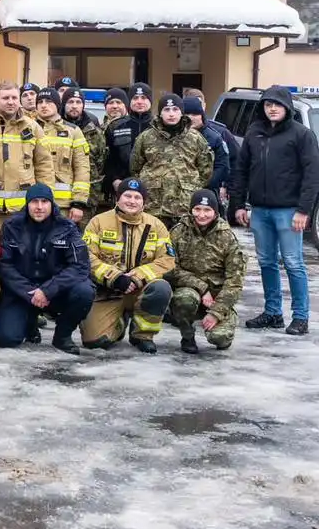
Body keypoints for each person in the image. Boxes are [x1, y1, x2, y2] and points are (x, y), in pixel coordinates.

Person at [228, 85, 319, 336]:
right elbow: (241, 170)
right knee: (266, 262)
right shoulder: (254, 132)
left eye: (277, 104)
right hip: (260, 210)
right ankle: (273, 313)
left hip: (289, 211)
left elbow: (312, 175)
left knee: (293, 263)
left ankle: (300, 317)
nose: (272, 108)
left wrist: (304, 210)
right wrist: (237, 205)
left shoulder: (302, 135)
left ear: (287, 107)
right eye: (268, 104)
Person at [0, 183, 93, 352]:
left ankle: (62, 336)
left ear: (52, 204)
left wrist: (48, 290)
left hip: (55, 291)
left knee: (85, 291)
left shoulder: (67, 228)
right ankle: (28, 322)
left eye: (44, 202)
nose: (39, 207)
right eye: (34, 202)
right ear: (27, 204)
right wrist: (28, 292)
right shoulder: (12, 226)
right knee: (7, 339)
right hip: (22, 292)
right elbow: (4, 265)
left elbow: (80, 266)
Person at [81, 178, 174, 353]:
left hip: (141, 289)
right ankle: (119, 323)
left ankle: (142, 335)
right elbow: (85, 256)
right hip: (109, 290)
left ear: (143, 202)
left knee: (161, 289)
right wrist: (114, 277)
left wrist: (138, 276)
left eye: (137, 197)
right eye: (127, 196)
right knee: (93, 341)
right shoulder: (98, 222)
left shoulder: (157, 226)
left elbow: (167, 260)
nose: (132, 201)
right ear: (118, 199)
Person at [169, 189, 245, 353]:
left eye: (207, 210)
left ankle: (227, 316)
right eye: (197, 209)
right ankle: (187, 336)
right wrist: (201, 287)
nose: (201, 215)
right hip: (191, 291)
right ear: (191, 210)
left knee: (219, 338)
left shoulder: (227, 237)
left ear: (215, 212)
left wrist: (216, 312)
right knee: (184, 298)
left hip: (217, 298)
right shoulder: (178, 231)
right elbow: (169, 268)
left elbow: (235, 281)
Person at [0, 81, 53, 230]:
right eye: (6, 98)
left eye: (14, 98)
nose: (11, 102)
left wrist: (46, 201)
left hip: (23, 211)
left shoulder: (32, 127)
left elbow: (44, 166)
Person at [129, 92, 212, 230]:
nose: (171, 114)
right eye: (166, 110)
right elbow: (135, 167)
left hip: (184, 207)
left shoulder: (195, 138)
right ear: (160, 113)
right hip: (154, 206)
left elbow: (205, 170)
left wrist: (190, 186)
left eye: (175, 109)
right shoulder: (146, 137)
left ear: (182, 113)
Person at [34, 87, 90, 224]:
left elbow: (82, 168)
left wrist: (78, 203)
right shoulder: (27, 128)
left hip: (63, 205)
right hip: (33, 204)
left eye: (48, 101)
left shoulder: (73, 131)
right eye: (40, 102)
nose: (43, 105)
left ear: (58, 105)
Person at [184, 87, 239, 197]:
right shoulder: (175, 135)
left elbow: (233, 161)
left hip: (209, 192)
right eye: (188, 111)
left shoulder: (219, 133)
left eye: (197, 107)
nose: (191, 117)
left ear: (204, 105)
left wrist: (225, 185)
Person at [101, 82, 152, 199]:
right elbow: (108, 160)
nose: (139, 101)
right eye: (135, 98)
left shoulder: (158, 126)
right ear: (130, 101)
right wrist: (114, 180)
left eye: (143, 98)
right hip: (122, 189)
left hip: (152, 190)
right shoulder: (116, 126)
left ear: (150, 101)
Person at [61, 88, 106, 217]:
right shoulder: (56, 128)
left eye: (78, 102)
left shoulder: (94, 132)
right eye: (70, 102)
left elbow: (100, 163)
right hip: (60, 195)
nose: (74, 106)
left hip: (87, 197)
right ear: (64, 104)